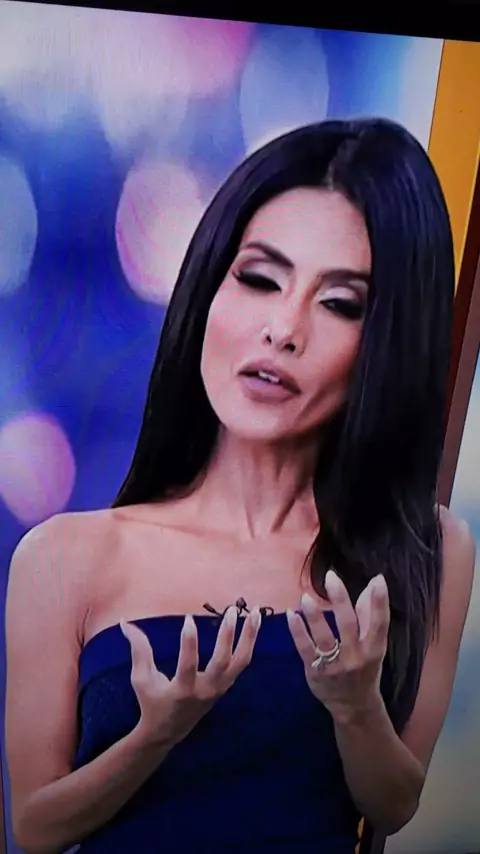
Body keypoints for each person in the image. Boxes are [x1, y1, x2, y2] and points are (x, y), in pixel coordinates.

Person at [5, 118, 475, 854]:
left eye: (339, 303)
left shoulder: (429, 546)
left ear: (386, 340)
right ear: (207, 287)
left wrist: (355, 705)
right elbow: (34, 827)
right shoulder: (63, 555)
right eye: (259, 279)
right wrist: (155, 735)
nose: (283, 329)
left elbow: (393, 804)